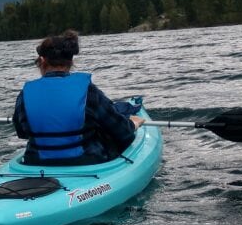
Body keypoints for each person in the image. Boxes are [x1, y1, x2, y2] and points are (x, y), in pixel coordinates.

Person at [12, 29, 144, 165]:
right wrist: (132, 124)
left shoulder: (25, 93)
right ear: (71, 61)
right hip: (84, 161)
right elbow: (121, 130)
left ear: (42, 60)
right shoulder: (88, 91)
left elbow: (22, 132)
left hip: (36, 162)